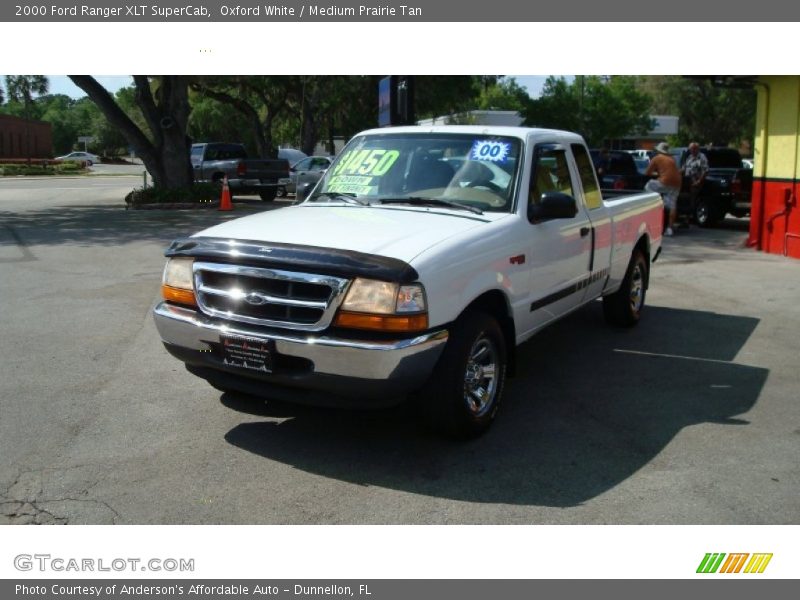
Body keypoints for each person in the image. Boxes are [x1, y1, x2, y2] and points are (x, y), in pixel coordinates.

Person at [645, 142, 682, 236]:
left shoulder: (657, 158)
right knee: (672, 205)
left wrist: (657, 175)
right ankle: (669, 229)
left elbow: (647, 173)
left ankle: (653, 203)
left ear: (658, 150)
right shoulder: (672, 159)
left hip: (665, 181)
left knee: (648, 185)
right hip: (677, 182)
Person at [683, 142, 709, 207]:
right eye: (691, 149)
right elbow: (684, 168)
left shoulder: (701, 157)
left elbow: (705, 170)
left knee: (693, 198)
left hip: (696, 183)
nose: (692, 150)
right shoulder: (689, 157)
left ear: (697, 149)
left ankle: (692, 212)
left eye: (694, 149)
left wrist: (699, 181)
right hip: (687, 182)